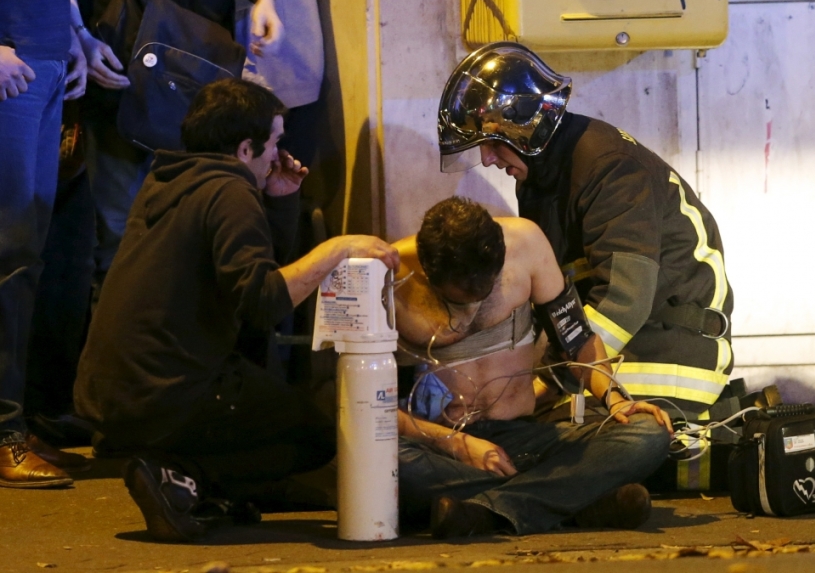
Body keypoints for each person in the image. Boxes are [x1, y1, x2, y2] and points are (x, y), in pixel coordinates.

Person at [73, 78, 400, 542]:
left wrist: (280, 200)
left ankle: (203, 490)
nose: (278, 155)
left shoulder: (171, 180)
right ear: (246, 148)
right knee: (314, 436)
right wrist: (335, 250)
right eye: (275, 142)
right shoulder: (229, 190)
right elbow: (263, 301)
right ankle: (179, 477)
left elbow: (251, 273)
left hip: (111, 393)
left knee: (261, 388)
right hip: (166, 393)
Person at [437, 42, 734, 420]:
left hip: (662, 363)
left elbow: (625, 301)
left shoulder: (611, 168)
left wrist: (547, 383)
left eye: (494, 142)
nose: (487, 159)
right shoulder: (542, 179)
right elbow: (554, 298)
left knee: (539, 438)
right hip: (611, 361)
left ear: (528, 126)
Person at [392, 196, 673, 538]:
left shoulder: (526, 244)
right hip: (438, 445)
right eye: (458, 301)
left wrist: (615, 400)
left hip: (522, 437)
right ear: (428, 271)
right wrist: (456, 445)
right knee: (380, 462)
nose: (472, 309)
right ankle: (570, 499)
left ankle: (486, 510)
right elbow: (366, 408)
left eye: (486, 292)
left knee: (649, 433)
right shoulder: (388, 275)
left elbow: (577, 338)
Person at [69, 0, 286, 299]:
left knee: (203, 231)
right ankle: (123, 328)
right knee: (121, 238)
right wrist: (78, 35)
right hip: (118, 68)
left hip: (202, 69)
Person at [1, 0, 90, 489]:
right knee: (8, 258)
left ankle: (14, 420)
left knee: (26, 258)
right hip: (11, 60)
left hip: (43, 55)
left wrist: (72, 33)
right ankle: (3, 431)